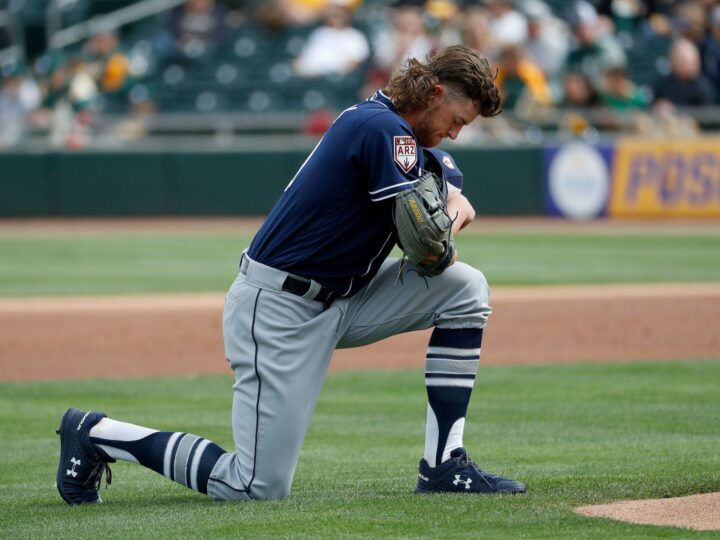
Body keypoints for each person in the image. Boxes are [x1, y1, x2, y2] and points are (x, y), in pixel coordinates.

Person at [55, 45, 527, 505]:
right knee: (255, 485)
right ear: (434, 93)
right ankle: (96, 434)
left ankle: (443, 463)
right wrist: (455, 209)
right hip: (279, 306)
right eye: (457, 121)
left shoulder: (396, 130)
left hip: (346, 298)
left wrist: (455, 199)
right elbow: (424, 245)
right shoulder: (378, 126)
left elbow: (444, 171)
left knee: (466, 290)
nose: (456, 134)